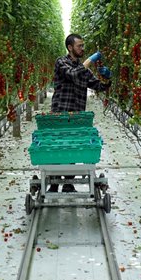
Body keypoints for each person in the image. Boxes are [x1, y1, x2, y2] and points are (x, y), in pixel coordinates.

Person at [49, 33, 111, 192]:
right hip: (60, 113)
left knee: (72, 147)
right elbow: (72, 74)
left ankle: (68, 183)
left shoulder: (84, 70)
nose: (82, 48)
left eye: (83, 45)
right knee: (57, 146)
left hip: (77, 114)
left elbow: (99, 86)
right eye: (79, 46)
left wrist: (106, 79)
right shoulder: (61, 62)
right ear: (70, 48)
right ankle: (54, 183)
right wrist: (89, 61)